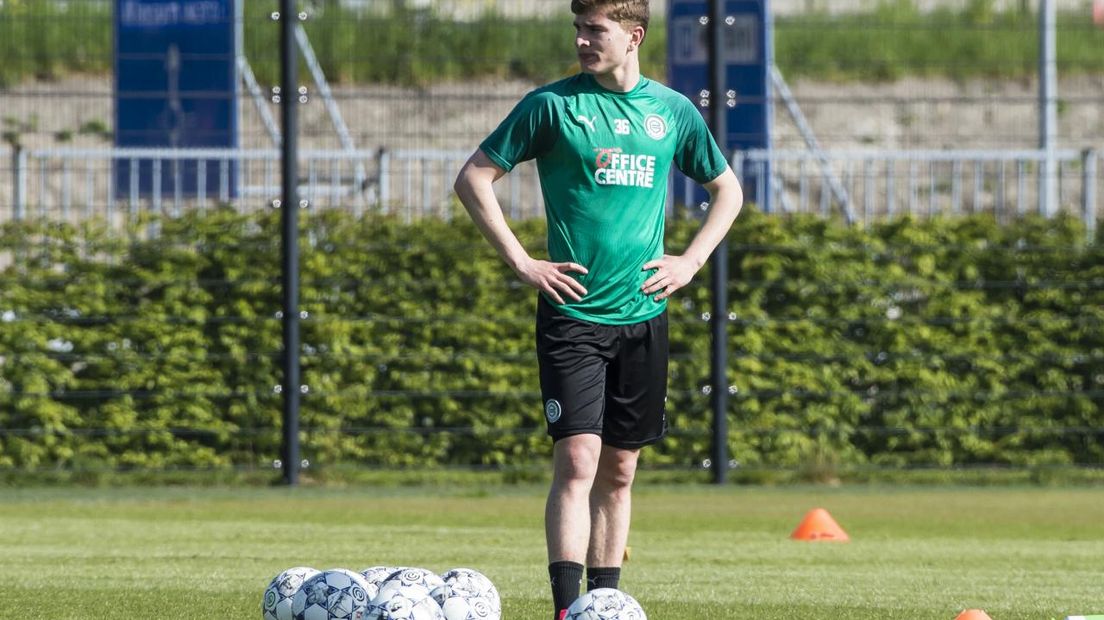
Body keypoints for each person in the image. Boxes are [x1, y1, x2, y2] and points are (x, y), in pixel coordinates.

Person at [453, 0, 743, 617]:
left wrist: (688, 262)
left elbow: (728, 190)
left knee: (620, 469)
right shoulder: (551, 107)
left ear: (633, 36)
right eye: (579, 29)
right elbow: (473, 178)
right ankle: (566, 609)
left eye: (596, 31)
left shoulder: (672, 112)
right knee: (578, 457)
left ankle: (603, 606)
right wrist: (522, 261)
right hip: (573, 316)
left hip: (643, 315)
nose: (583, 41)